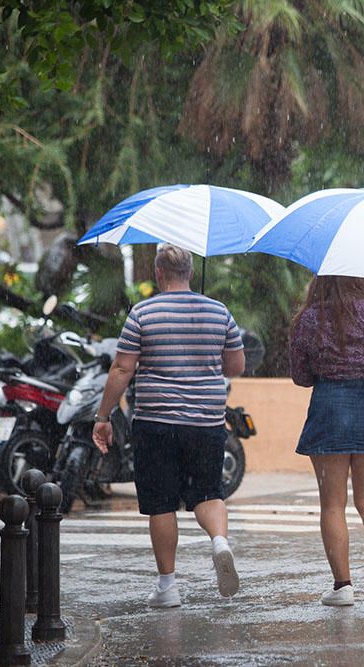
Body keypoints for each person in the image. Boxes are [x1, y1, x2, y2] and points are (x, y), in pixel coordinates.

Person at [92, 243, 245, 608]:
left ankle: (168, 587)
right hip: (206, 421)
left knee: (161, 503)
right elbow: (236, 366)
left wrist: (102, 417)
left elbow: (123, 369)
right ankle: (220, 542)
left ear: (159, 274)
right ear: (190, 273)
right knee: (208, 494)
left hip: (156, 422)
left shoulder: (143, 313)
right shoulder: (219, 311)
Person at [288, 275, 364, 607]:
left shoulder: (311, 317)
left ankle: (343, 587)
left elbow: (300, 375)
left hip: (330, 408)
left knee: (332, 505)